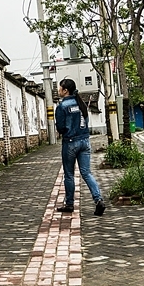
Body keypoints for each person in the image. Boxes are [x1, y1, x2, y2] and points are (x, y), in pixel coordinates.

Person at [54, 78, 105, 216]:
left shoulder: (62, 106)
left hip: (70, 142)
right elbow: (86, 121)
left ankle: (69, 204)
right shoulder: (80, 103)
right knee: (86, 173)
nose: (58, 90)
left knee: (69, 174)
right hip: (85, 141)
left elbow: (60, 127)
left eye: (60, 88)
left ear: (65, 91)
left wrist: (66, 131)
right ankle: (98, 199)